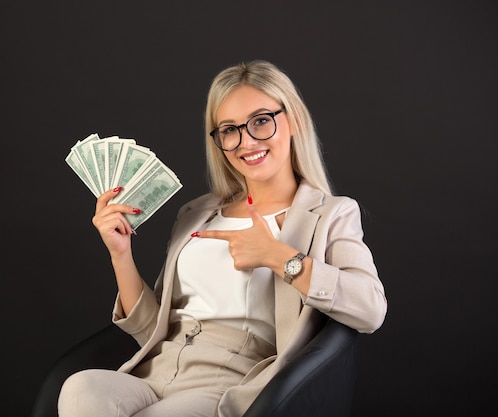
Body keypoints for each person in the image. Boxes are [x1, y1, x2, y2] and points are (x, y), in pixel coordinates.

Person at [57, 59, 387, 417]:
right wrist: (120, 253)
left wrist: (278, 256)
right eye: (229, 129)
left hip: (230, 382)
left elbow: (370, 309)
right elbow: (151, 330)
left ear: (293, 120)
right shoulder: (197, 213)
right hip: (156, 372)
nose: (246, 142)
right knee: (80, 388)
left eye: (261, 121)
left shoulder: (330, 215)